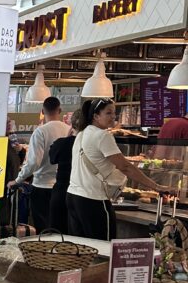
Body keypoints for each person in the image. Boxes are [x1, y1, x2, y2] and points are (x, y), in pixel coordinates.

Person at [67, 98, 169, 242]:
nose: (113, 117)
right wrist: (156, 186)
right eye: (108, 113)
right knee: (104, 248)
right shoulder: (102, 135)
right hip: (93, 200)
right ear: (96, 116)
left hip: (73, 196)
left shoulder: (82, 134)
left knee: (81, 248)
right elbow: (125, 167)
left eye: (114, 113)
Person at [7, 96, 70, 233]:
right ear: (60, 110)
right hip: (64, 188)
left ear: (42, 111)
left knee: (44, 229)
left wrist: (18, 180)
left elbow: (34, 162)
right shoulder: (69, 130)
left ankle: (45, 254)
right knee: (61, 230)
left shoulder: (41, 131)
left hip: (42, 187)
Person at [48, 109, 84, 234]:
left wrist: (67, 138)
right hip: (81, 195)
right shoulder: (90, 145)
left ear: (72, 124)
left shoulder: (62, 143)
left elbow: (52, 158)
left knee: (57, 235)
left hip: (60, 192)